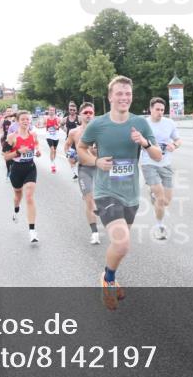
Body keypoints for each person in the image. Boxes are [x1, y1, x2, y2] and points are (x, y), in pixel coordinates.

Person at [78, 77, 162, 310]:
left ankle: (109, 276)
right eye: (119, 93)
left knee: (119, 245)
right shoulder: (98, 124)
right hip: (106, 192)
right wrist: (96, 161)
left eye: (128, 93)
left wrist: (144, 142)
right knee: (123, 243)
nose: (124, 97)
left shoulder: (140, 124)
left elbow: (158, 156)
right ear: (110, 97)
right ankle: (108, 280)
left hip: (131, 195)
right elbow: (81, 149)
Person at [140, 97, 182, 240]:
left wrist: (174, 146)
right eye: (157, 109)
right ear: (150, 109)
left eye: (162, 110)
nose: (160, 112)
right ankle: (160, 227)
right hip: (148, 164)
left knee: (166, 201)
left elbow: (178, 140)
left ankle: (153, 194)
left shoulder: (169, 123)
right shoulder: (144, 124)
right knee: (160, 198)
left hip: (166, 164)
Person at [63, 102, 101, 244]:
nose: (88, 115)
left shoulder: (101, 131)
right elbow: (66, 145)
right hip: (85, 169)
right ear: (80, 115)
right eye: (85, 113)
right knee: (89, 200)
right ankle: (95, 233)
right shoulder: (74, 132)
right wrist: (69, 155)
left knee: (103, 200)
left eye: (91, 112)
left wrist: (97, 151)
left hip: (101, 169)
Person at [5, 110, 41, 243]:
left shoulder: (33, 134)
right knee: (18, 196)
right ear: (18, 121)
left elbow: (36, 144)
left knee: (30, 196)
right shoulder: (11, 137)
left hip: (30, 168)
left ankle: (32, 231)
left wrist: (38, 151)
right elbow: (5, 156)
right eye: (23, 119)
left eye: (28, 119)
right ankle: (16, 209)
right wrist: (18, 152)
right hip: (16, 169)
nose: (26, 121)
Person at [63, 103, 81, 179]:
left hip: (78, 141)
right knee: (70, 158)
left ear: (76, 110)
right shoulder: (65, 119)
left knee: (80, 157)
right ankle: (75, 173)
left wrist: (79, 128)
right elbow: (60, 124)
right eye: (71, 110)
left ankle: (81, 171)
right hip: (69, 141)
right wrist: (65, 130)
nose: (72, 111)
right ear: (68, 110)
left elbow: (85, 127)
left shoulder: (79, 118)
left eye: (74, 110)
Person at [43, 104, 62, 173]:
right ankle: (52, 164)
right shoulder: (45, 118)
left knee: (54, 150)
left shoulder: (58, 118)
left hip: (56, 136)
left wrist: (57, 127)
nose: (51, 111)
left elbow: (60, 125)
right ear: (48, 111)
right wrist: (40, 126)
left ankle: (53, 161)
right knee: (52, 149)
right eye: (50, 110)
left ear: (55, 111)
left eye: (53, 110)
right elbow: (43, 125)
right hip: (49, 136)